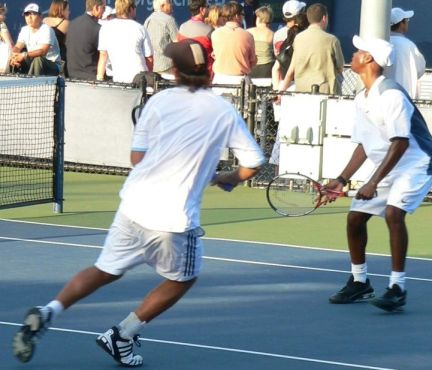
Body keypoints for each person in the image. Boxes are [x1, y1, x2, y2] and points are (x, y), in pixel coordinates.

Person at [12, 38, 265, 367]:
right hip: (173, 220)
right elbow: (253, 163)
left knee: (105, 270)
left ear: (175, 71)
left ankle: (49, 311)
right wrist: (228, 177)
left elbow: (136, 158)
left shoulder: (159, 102)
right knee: (183, 278)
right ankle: (123, 334)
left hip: (133, 205)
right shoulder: (223, 111)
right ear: (207, 70)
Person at [327, 35, 432, 312]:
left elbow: (401, 142)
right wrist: (340, 179)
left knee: (394, 214)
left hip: (415, 163)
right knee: (354, 219)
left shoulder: (391, 95)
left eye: (359, 51)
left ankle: (397, 287)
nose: (355, 53)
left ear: (369, 59)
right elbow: (365, 144)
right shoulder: (362, 97)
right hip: (389, 164)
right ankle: (359, 282)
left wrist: (373, 181)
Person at [278, 3, 344, 94]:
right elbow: (340, 67)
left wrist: (280, 92)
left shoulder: (298, 39)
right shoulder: (332, 40)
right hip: (325, 92)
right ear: (324, 18)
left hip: (302, 91)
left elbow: (291, 70)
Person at [97, 0, 153, 83]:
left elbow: (103, 56)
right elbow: (149, 59)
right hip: (140, 80)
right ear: (131, 9)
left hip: (119, 80)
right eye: (135, 7)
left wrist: (99, 79)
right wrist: (149, 78)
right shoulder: (140, 28)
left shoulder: (105, 28)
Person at [211, 1, 257, 85]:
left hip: (219, 79)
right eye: (243, 14)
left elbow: (215, 55)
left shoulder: (215, 34)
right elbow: (253, 60)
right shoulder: (248, 35)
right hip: (240, 81)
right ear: (237, 16)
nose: (244, 17)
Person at [10, 3, 61, 76]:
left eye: (33, 14)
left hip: (53, 66)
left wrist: (24, 55)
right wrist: (14, 55)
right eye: (27, 14)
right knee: (14, 61)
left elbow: (43, 51)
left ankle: (34, 85)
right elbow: (18, 46)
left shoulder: (47, 29)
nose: (29, 17)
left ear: (40, 16)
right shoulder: (24, 30)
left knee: (38, 60)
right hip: (33, 61)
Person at [386, 7, 426, 100]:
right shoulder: (409, 46)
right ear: (401, 24)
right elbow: (420, 69)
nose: (408, 22)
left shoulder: (383, 43)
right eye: (406, 20)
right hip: (405, 97)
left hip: (384, 95)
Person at [66, 0, 106, 80]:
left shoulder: (72, 24)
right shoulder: (98, 29)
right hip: (92, 78)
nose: (104, 11)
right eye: (103, 8)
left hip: (71, 75)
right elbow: (104, 55)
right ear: (96, 8)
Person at [178, 0, 213, 78]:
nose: (209, 9)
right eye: (207, 6)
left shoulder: (182, 27)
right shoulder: (209, 30)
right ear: (202, 10)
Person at [143, 0, 178, 75]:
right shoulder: (169, 20)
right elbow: (177, 42)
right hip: (167, 66)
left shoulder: (147, 20)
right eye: (169, 2)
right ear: (162, 6)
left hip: (151, 66)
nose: (172, 4)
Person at [43, 0, 70, 75]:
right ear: (61, 10)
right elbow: (69, 43)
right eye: (67, 9)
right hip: (60, 58)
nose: (69, 12)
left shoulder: (44, 20)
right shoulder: (65, 23)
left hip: (45, 57)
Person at [247, 5, 274, 79]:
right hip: (267, 68)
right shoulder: (272, 34)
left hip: (251, 67)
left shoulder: (248, 32)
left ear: (258, 18)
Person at [0, 3, 13, 73]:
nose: (5, 17)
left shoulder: (2, 25)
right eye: (3, 14)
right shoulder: (2, 25)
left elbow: (10, 45)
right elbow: (10, 45)